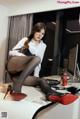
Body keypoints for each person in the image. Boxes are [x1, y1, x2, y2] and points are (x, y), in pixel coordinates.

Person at [7, 22, 46, 92]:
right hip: (15, 67)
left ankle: (53, 94)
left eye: (42, 33)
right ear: (34, 31)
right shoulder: (25, 40)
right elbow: (11, 52)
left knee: (41, 80)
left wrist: (35, 76)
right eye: (38, 31)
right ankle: (18, 85)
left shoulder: (43, 46)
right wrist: (23, 56)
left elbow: (39, 63)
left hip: (19, 76)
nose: (40, 35)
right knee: (37, 58)